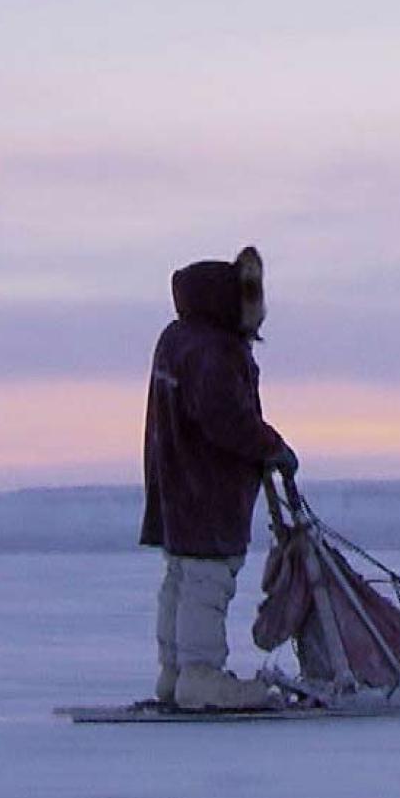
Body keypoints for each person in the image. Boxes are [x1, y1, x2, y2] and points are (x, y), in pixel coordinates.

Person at [140, 246, 299, 710]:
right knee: (208, 577)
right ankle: (201, 675)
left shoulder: (178, 338)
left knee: (183, 575)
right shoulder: (214, 348)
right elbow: (225, 417)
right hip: (206, 487)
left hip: (175, 485)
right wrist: (271, 446)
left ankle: (175, 671)